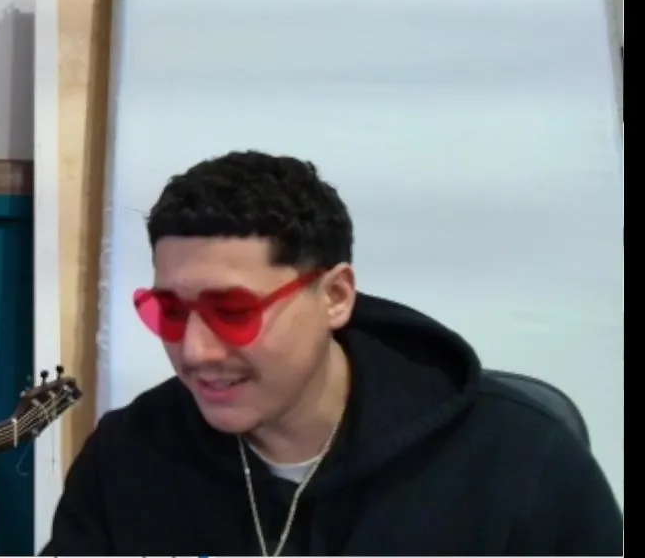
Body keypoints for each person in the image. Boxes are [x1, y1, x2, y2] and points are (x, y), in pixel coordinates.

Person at [42, 151, 623, 557]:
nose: (195, 351)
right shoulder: (127, 457)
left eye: (233, 311)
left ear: (336, 296)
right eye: (169, 312)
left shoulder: (519, 458)